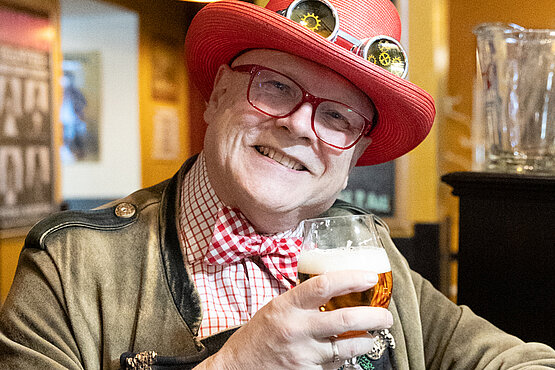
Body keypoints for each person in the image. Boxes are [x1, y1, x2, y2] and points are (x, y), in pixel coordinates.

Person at [1, 0, 554, 369]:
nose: (297, 124)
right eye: (276, 86)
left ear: (357, 152)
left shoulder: (367, 247)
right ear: (218, 94)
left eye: (337, 117)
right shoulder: (70, 265)